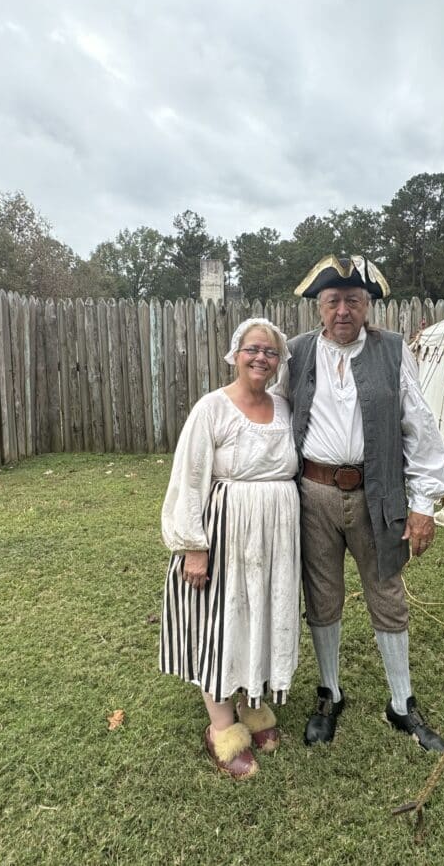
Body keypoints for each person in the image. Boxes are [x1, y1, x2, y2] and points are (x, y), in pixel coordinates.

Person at [283, 255, 444, 752]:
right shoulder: (295, 353)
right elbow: (270, 417)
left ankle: (401, 702)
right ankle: (329, 693)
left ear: (368, 305)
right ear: (319, 306)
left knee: (387, 594)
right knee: (322, 595)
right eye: (333, 301)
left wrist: (424, 505)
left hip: (378, 494)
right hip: (313, 495)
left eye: (353, 301)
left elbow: (419, 428)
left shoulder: (394, 351)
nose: (343, 311)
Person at [159, 318, 300, 780]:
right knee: (224, 619)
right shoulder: (212, 408)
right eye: (252, 349)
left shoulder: (284, 407)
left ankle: (252, 702)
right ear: (236, 354)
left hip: (275, 538)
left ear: (279, 361)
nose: (261, 358)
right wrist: (193, 547)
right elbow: (189, 478)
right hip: (227, 534)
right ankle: (221, 727)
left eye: (270, 352)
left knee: (261, 614)